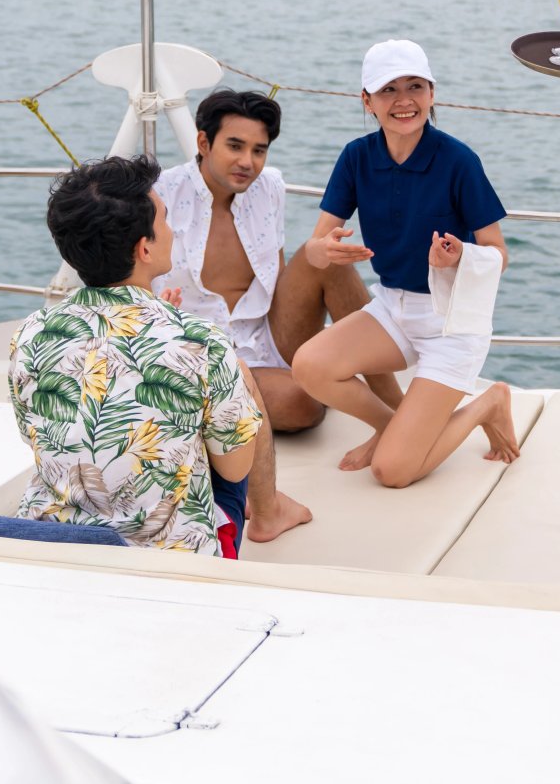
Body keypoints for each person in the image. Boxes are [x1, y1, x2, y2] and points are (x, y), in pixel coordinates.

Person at [153, 88, 389, 543]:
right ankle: (383, 419)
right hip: (203, 350)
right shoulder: (162, 193)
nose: (248, 162)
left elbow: (276, 273)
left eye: (258, 150)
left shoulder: (270, 187)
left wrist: (317, 260)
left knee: (327, 257)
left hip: (263, 332)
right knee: (302, 407)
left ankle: (396, 415)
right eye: (235, 146)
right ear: (204, 143)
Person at [289, 40, 522, 488]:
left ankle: (486, 404)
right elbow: (317, 244)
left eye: (415, 86)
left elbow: (498, 252)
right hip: (391, 310)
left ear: (432, 95)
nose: (403, 100)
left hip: (452, 323)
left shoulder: (458, 161)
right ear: (367, 101)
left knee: (393, 472)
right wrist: (325, 250)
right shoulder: (357, 157)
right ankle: (390, 428)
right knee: (310, 365)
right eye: (388, 90)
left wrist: (458, 260)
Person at [9, 155, 261, 556]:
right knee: (236, 395)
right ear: (144, 248)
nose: (172, 228)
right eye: (163, 218)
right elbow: (235, 469)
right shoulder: (202, 341)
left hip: (52, 548)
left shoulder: (31, 333)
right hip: (163, 561)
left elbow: (32, 436)